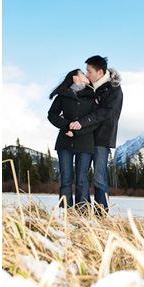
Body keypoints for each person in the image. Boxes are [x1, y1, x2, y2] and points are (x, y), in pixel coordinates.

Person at [69, 56, 123, 215]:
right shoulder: (87, 86)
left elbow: (105, 113)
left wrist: (83, 122)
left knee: (99, 178)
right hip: (84, 137)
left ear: (100, 72)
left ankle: (101, 216)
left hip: (102, 138)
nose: (87, 73)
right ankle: (82, 214)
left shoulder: (114, 90)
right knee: (81, 176)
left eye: (89, 71)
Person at [47, 69, 99, 213]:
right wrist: (66, 126)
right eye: (83, 73)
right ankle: (66, 213)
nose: (87, 75)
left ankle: (83, 213)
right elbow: (52, 115)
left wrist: (76, 131)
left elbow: (95, 121)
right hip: (64, 142)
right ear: (75, 78)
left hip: (85, 142)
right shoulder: (62, 97)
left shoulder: (92, 97)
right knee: (66, 180)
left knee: (82, 180)